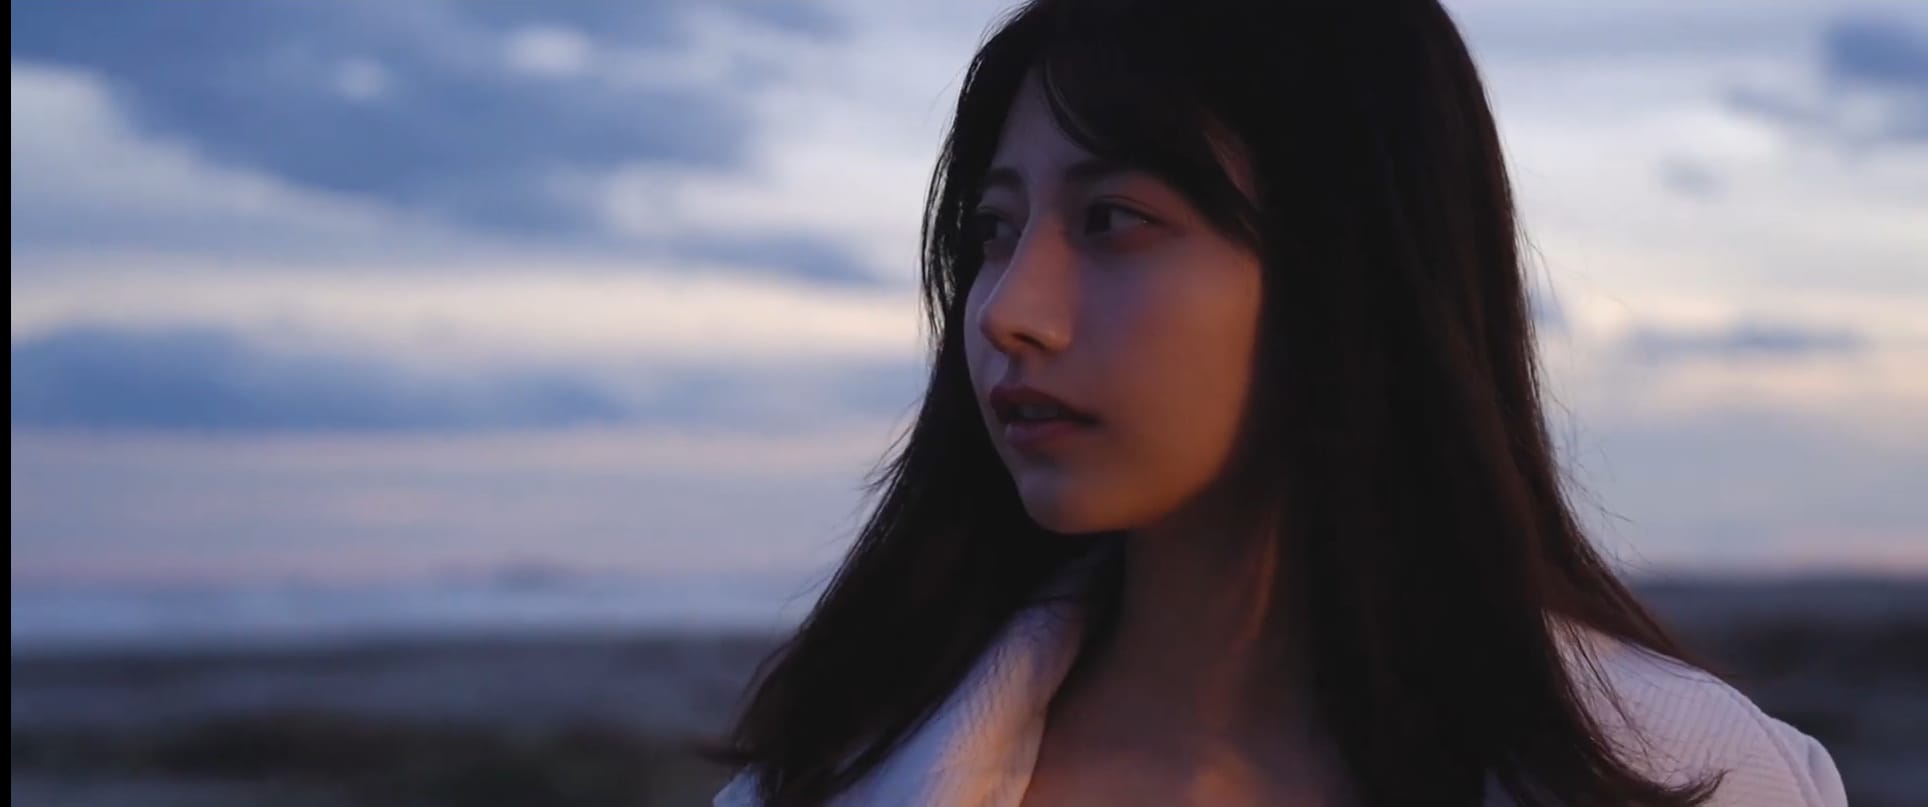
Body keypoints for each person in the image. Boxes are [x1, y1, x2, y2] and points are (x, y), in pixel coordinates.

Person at [703, 1, 1848, 805]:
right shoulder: (822, 785)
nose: (1009, 309)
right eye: (992, 232)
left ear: (1349, 267)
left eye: (1112, 220)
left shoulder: (1703, 779)